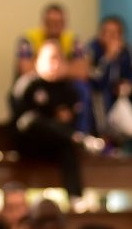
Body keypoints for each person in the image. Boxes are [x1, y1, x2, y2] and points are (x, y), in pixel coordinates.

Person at [10, 40, 95, 198]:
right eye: (50, 58)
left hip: (55, 145)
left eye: (58, 58)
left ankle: (76, 199)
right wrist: (51, 119)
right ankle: (79, 139)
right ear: (37, 61)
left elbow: (71, 119)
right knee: (33, 120)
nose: (54, 64)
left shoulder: (70, 90)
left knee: (68, 149)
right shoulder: (27, 85)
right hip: (29, 144)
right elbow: (22, 120)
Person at [88, 16, 132, 152]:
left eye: (115, 33)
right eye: (107, 32)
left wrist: (128, 86)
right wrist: (108, 57)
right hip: (101, 93)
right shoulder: (93, 49)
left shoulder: (128, 51)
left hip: (121, 95)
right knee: (100, 96)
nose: (110, 37)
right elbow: (95, 78)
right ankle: (105, 141)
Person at [15, 3, 78, 77]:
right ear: (43, 23)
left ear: (64, 23)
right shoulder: (28, 39)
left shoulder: (73, 40)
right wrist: (49, 71)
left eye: (58, 23)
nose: (54, 27)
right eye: (50, 22)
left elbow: (81, 71)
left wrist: (57, 71)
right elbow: (26, 69)